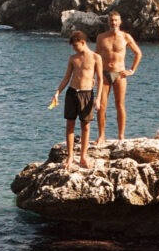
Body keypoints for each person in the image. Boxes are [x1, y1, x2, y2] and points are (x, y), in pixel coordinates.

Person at [52, 30, 103, 170]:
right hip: (72, 92)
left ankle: (83, 157)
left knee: (85, 125)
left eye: (75, 46)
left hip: (87, 94)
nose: (74, 48)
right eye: (73, 46)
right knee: (70, 124)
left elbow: (100, 79)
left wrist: (98, 99)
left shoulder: (95, 57)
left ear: (83, 42)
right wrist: (57, 92)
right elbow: (66, 78)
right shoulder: (72, 58)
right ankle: (70, 157)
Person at [95, 11, 142, 143]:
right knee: (101, 105)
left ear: (120, 22)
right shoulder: (101, 37)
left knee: (120, 105)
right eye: (111, 20)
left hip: (120, 74)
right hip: (104, 74)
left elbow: (138, 53)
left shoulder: (126, 37)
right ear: (108, 22)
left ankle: (121, 135)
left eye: (116, 20)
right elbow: (96, 57)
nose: (113, 22)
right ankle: (101, 135)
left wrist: (132, 70)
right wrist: (92, 75)